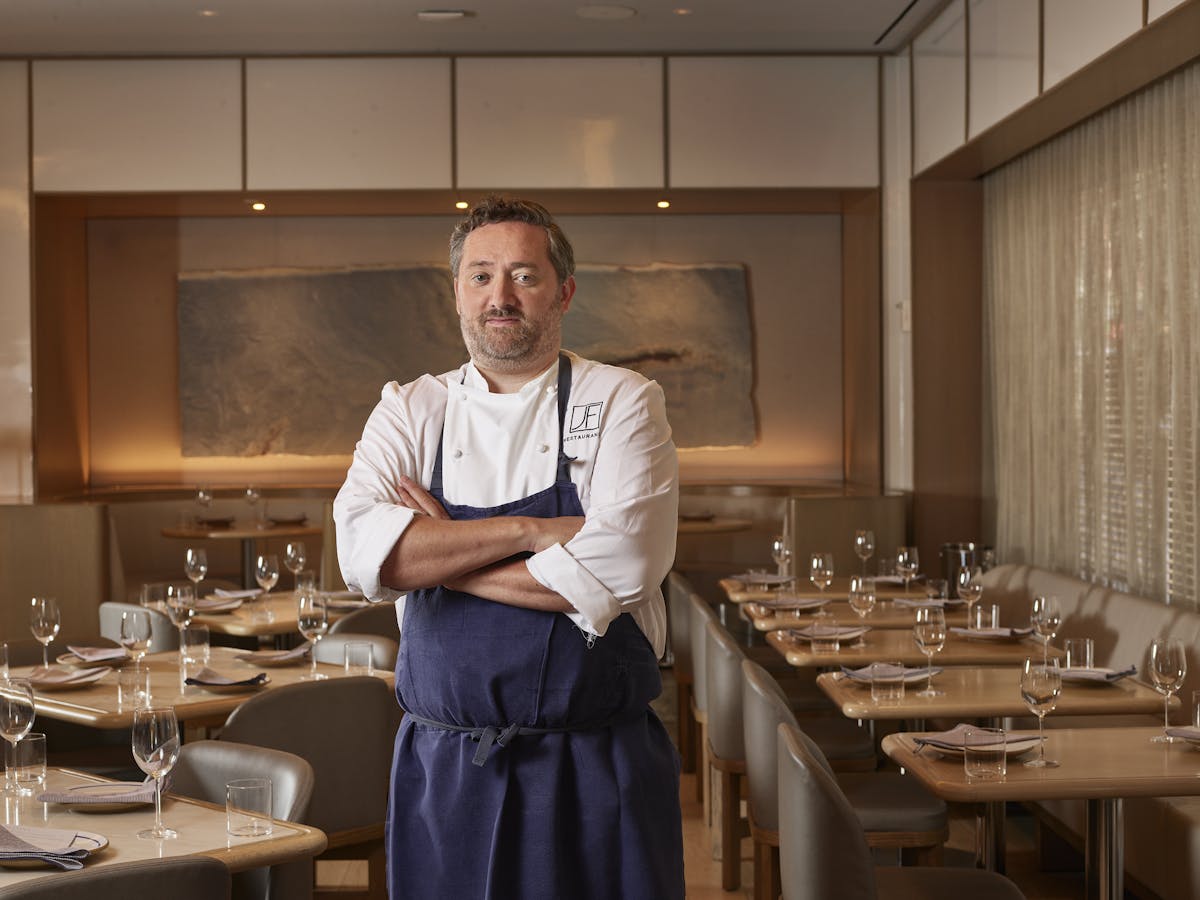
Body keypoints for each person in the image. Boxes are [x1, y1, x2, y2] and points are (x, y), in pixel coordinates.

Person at [333, 196, 685, 899]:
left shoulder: (622, 401)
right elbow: (364, 557)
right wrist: (530, 533)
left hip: (593, 767)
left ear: (564, 291)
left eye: (524, 275)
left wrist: (441, 561)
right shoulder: (411, 409)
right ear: (457, 292)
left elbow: (622, 568)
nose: (500, 296)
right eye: (480, 275)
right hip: (444, 771)